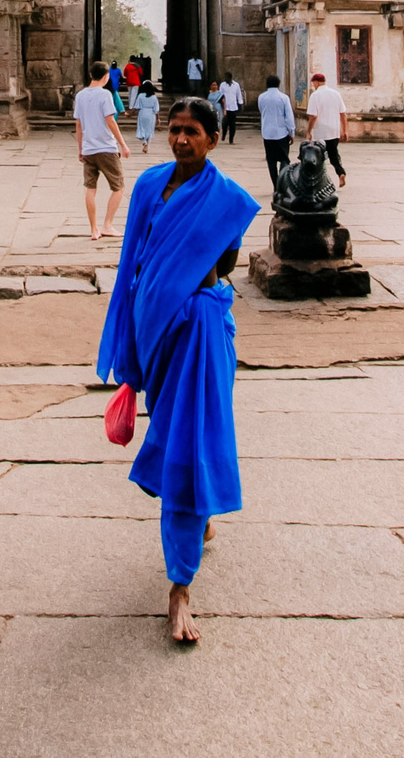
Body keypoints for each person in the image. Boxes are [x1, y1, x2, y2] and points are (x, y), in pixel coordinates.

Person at [96, 97, 260, 645]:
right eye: (176, 130)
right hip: (154, 334)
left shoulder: (226, 200)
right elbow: (131, 264)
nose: (181, 140)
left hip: (200, 335)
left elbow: (226, 263)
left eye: (193, 132)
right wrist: (129, 344)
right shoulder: (146, 187)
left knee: (188, 445)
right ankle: (199, 517)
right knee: (170, 433)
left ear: (214, 139)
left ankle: (180, 588)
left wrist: (190, 272)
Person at [73, 61, 132, 242]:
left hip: (89, 149)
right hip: (106, 147)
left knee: (90, 189)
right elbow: (111, 121)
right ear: (106, 77)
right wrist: (123, 144)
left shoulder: (80, 96)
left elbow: (78, 125)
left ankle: (93, 229)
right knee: (119, 187)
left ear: (91, 75)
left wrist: (80, 148)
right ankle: (107, 224)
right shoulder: (105, 95)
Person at [303, 72, 348, 190]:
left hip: (320, 132)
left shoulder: (315, 95)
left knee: (318, 157)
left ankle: (318, 181)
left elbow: (313, 116)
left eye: (313, 83)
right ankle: (341, 173)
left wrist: (308, 131)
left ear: (316, 82)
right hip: (334, 130)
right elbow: (343, 114)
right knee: (333, 154)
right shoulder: (335, 94)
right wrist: (345, 130)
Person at [256, 73, 296, 187]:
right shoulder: (283, 98)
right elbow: (288, 117)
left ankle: (275, 184)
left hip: (267, 133)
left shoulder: (261, 97)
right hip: (281, 133)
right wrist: (291, 132)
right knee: (284, 159)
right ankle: (282, 182)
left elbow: (261, 111)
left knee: (271, 161)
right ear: (279, 84)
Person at [134, 80, 161, 152]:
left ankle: (144, 142)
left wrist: (130, 114)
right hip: (151, 114)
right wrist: (158, 119)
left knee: (142, 128)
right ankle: (147, 143)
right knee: (149, 129)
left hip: (142, 113)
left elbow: (137, 107)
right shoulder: (154, 97)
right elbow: (156, 109)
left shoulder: (140, 96)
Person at [218, 73, 244, 144]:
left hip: (233, 107)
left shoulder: (236, 85)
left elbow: (239, 94)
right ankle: (224, 134)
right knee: (225, 123)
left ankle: (231, 139)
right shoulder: (222, 85)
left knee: (232, 124)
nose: (225, 79)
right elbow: (220, 95)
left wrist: (240, 104)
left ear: (230, 78)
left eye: (226, 77)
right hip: (225, 107)